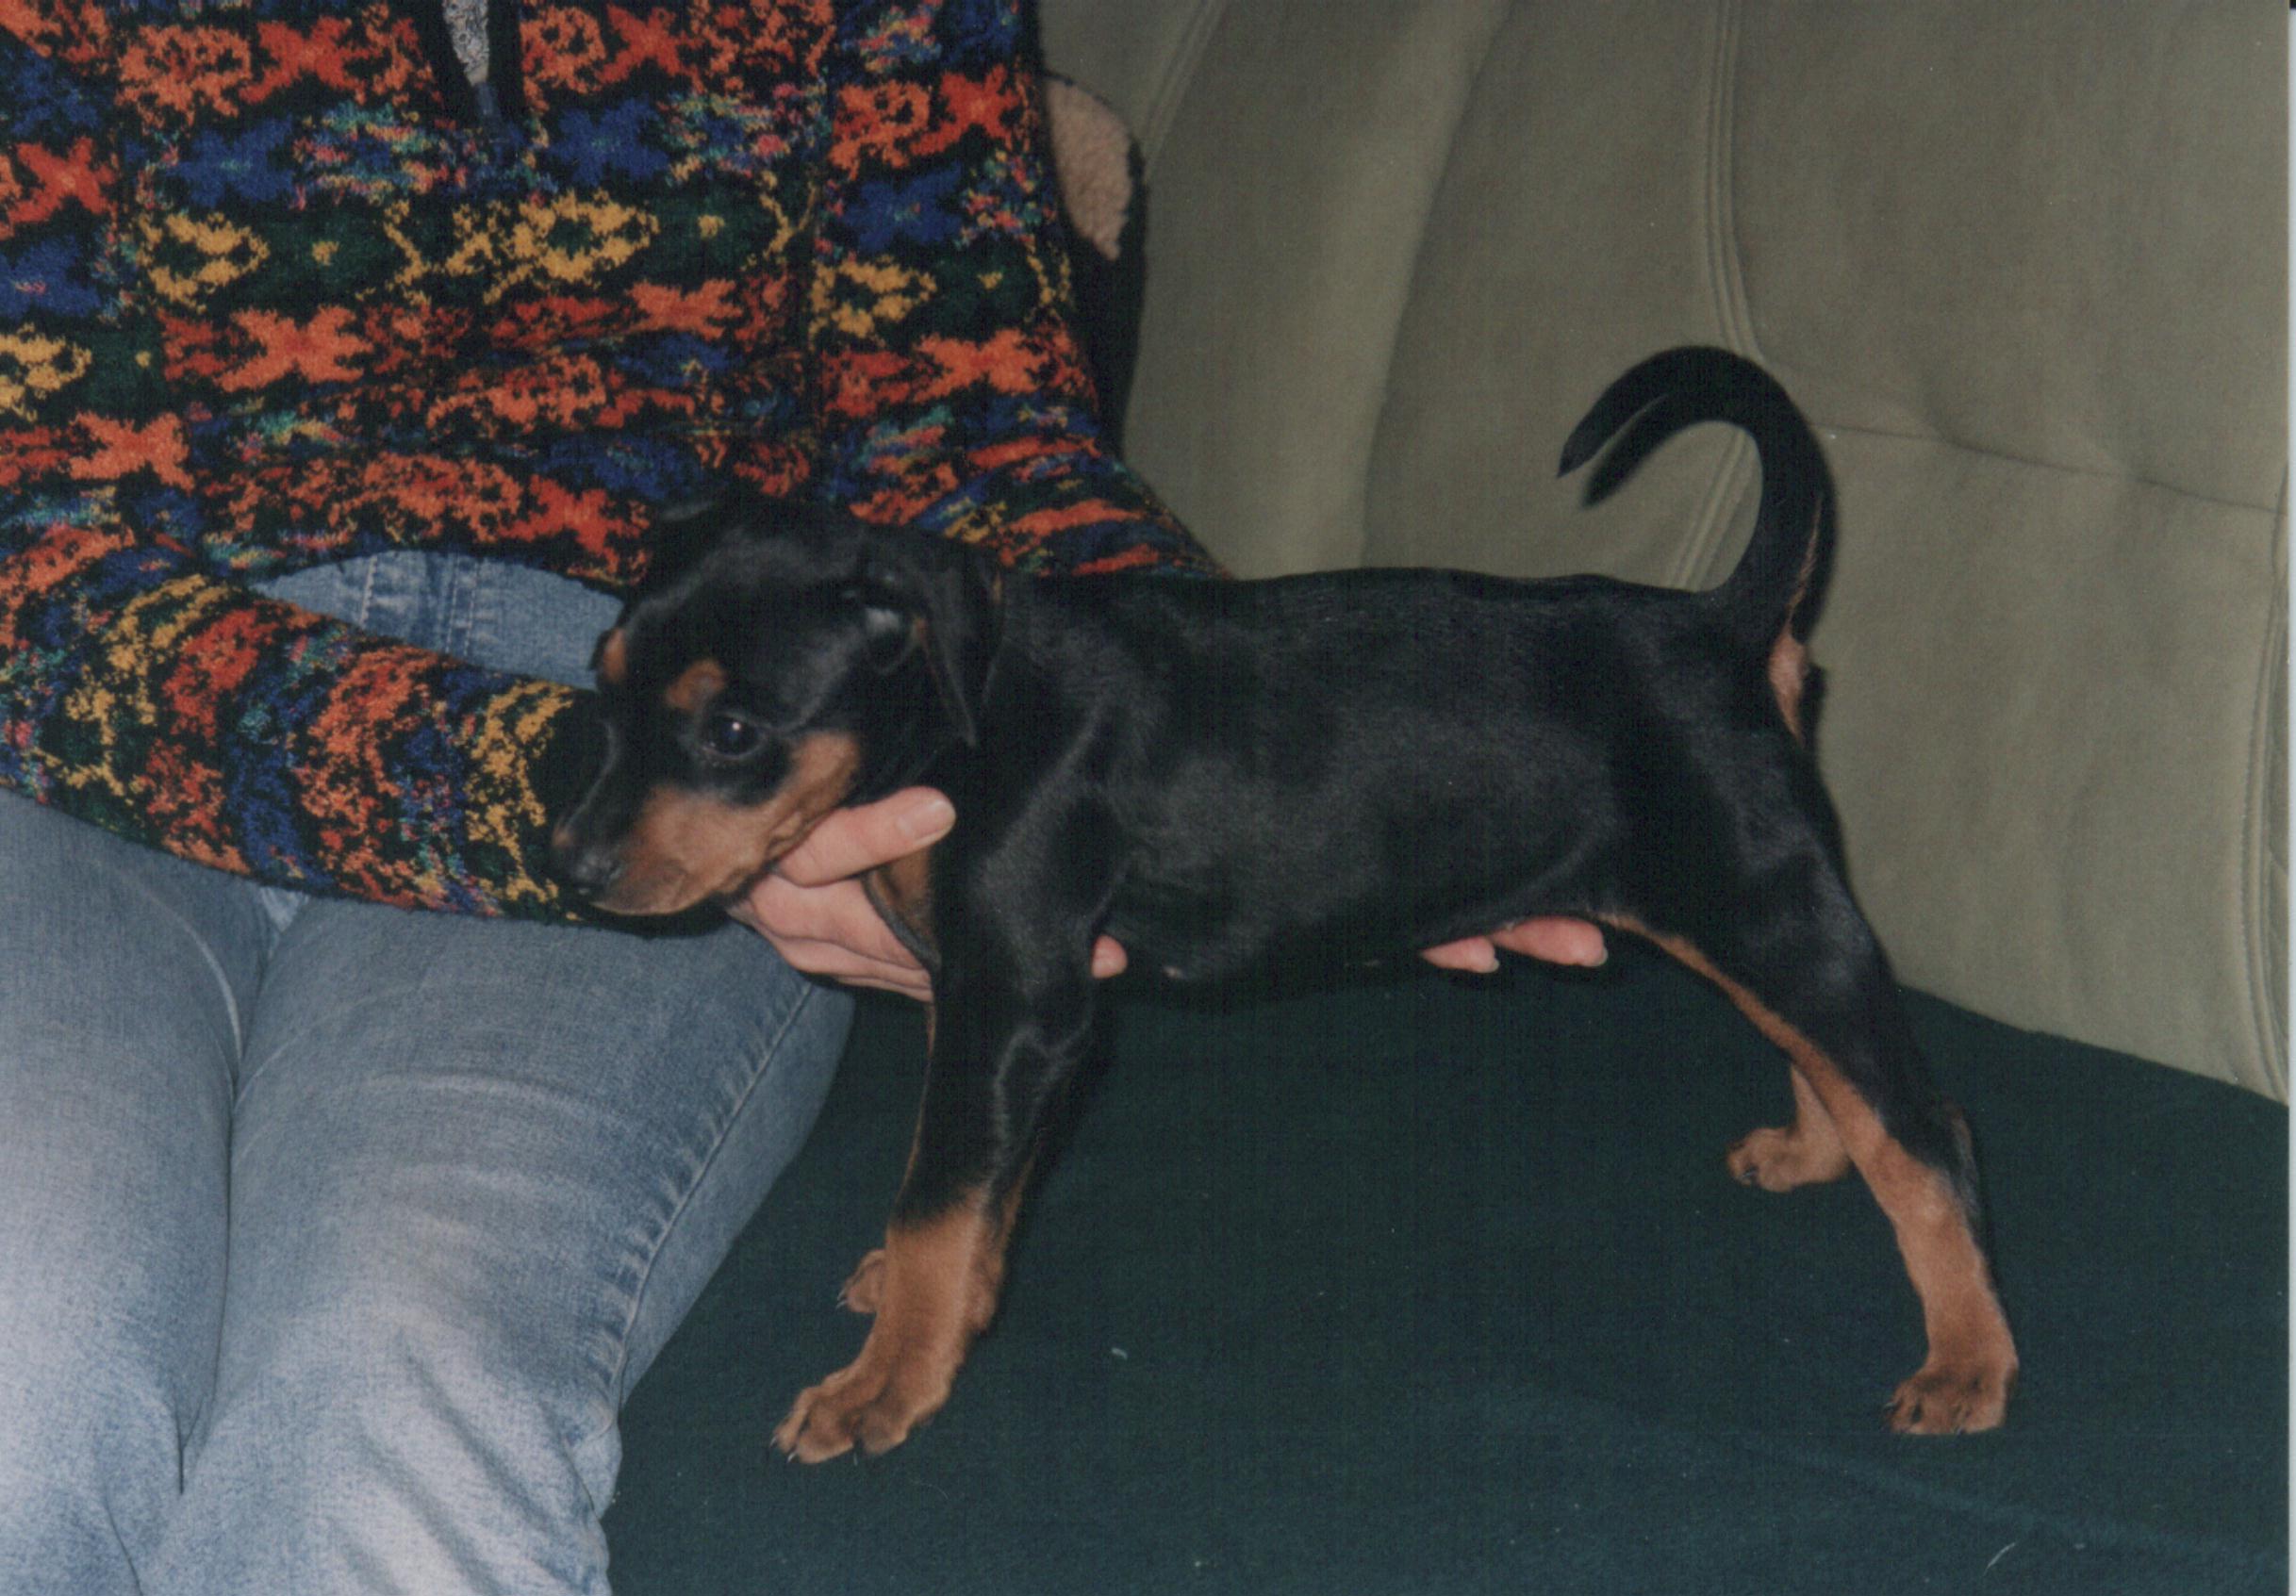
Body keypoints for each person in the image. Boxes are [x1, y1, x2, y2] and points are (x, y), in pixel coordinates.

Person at [0, 2, 1598, 1589]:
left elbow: (971, 433)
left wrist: (1264, 727)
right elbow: (27, 545)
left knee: (390, 1383)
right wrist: (582, 788)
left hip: (673, 678)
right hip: (98, 716)